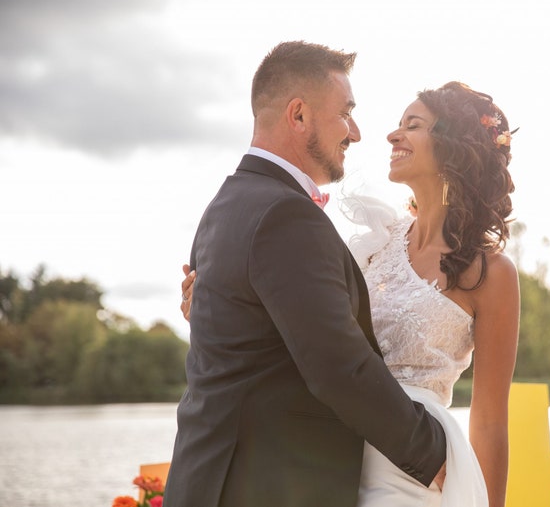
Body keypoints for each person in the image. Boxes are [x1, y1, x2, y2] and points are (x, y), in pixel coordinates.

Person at [181, 81, 520, 507]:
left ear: (454, 146)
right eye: (398, 124)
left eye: (412, 125)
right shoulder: (374, 243)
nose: (392, 135)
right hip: (333, 457)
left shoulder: (492, 273)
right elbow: (310, 334)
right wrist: (218, 307)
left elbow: (489, 421)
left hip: (417, 470)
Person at [163, 40, 447, 507]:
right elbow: (338, 365)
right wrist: (434, 456)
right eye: (345, 113)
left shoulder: (225, 205)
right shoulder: (285, 216)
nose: (355, 132)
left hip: (207, 481)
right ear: (298, 115)